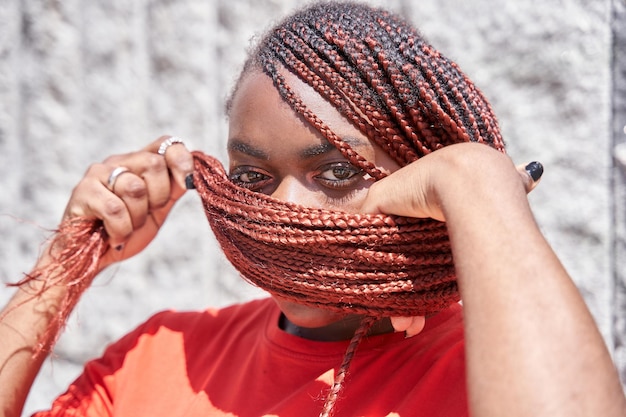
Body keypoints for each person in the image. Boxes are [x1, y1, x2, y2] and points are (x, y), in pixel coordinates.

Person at [1, 2, 625, 416]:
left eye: (337, 172)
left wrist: (481, 183)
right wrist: (64, 266)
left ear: (421, 175)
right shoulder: (161, 356)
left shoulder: (488, 363)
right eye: (253, 175)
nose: (287, 209)